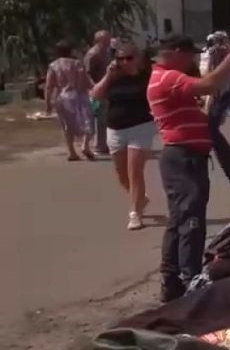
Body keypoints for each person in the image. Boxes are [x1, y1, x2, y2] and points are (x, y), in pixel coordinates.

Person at [148, 34, 230, 302]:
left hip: (186, 157)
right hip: (183, 158)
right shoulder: (167, 77)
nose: (192, 60)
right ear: (177, 52)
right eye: (190, 55)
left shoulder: (164, 76)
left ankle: (173, 280)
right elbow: (208, 85)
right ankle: (189, 279)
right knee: (189, 221)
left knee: (180, 220)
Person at [90, 41, 155, 230]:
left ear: (138, 59)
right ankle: (141, 198)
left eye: (129, 58)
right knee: (122, 175)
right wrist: (108, 76)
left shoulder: (146, 76)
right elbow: (96, 95)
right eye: (120, 58)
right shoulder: (113, 77)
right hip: (116, 128)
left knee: (135, 172)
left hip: (141, 126)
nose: (124, 62)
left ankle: (135, 213)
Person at [46, 40, 95, 161]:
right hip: (80, 96)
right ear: (70, 51)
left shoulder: (53, 66)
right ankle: (85, 145)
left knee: (67, 126)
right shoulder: (77, 63)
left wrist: (48, 103)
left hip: (63, 97)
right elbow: (87, 82)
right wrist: (96, 90)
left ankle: (72, 152)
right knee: (88, 121)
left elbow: (49, 86)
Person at [83, 30, 112, 154]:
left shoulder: (105, 52)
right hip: (96, 90)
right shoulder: (93, 54)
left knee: (104, 117)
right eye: (106, 39)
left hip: (105, 88)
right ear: (99, 40)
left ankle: (103, 143)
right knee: (98, 117)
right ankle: (98, 146)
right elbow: (87, 73)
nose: (109, 41)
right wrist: (94, 87)